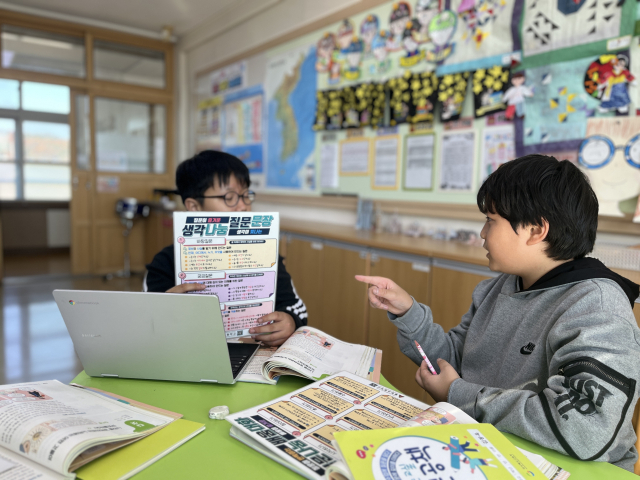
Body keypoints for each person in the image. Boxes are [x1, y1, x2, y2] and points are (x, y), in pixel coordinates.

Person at [356, 155, 640, 471]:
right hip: (486, 448)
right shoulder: (500, 287)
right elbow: (453, 360)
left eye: (491, 220)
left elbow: (583, 431)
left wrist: (457, 393)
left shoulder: (597, 308)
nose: (482, 233)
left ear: (536, 230)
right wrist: (407, 311)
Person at [145, 150, 307, 346]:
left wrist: (290, 321)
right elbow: (150, 327)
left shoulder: (266, 255)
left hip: (254, 353)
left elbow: (296, 308)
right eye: (230, 197)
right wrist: (160, 311)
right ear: (194, 207)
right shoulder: (164, 263)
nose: (243, 206)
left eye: (246, 195)